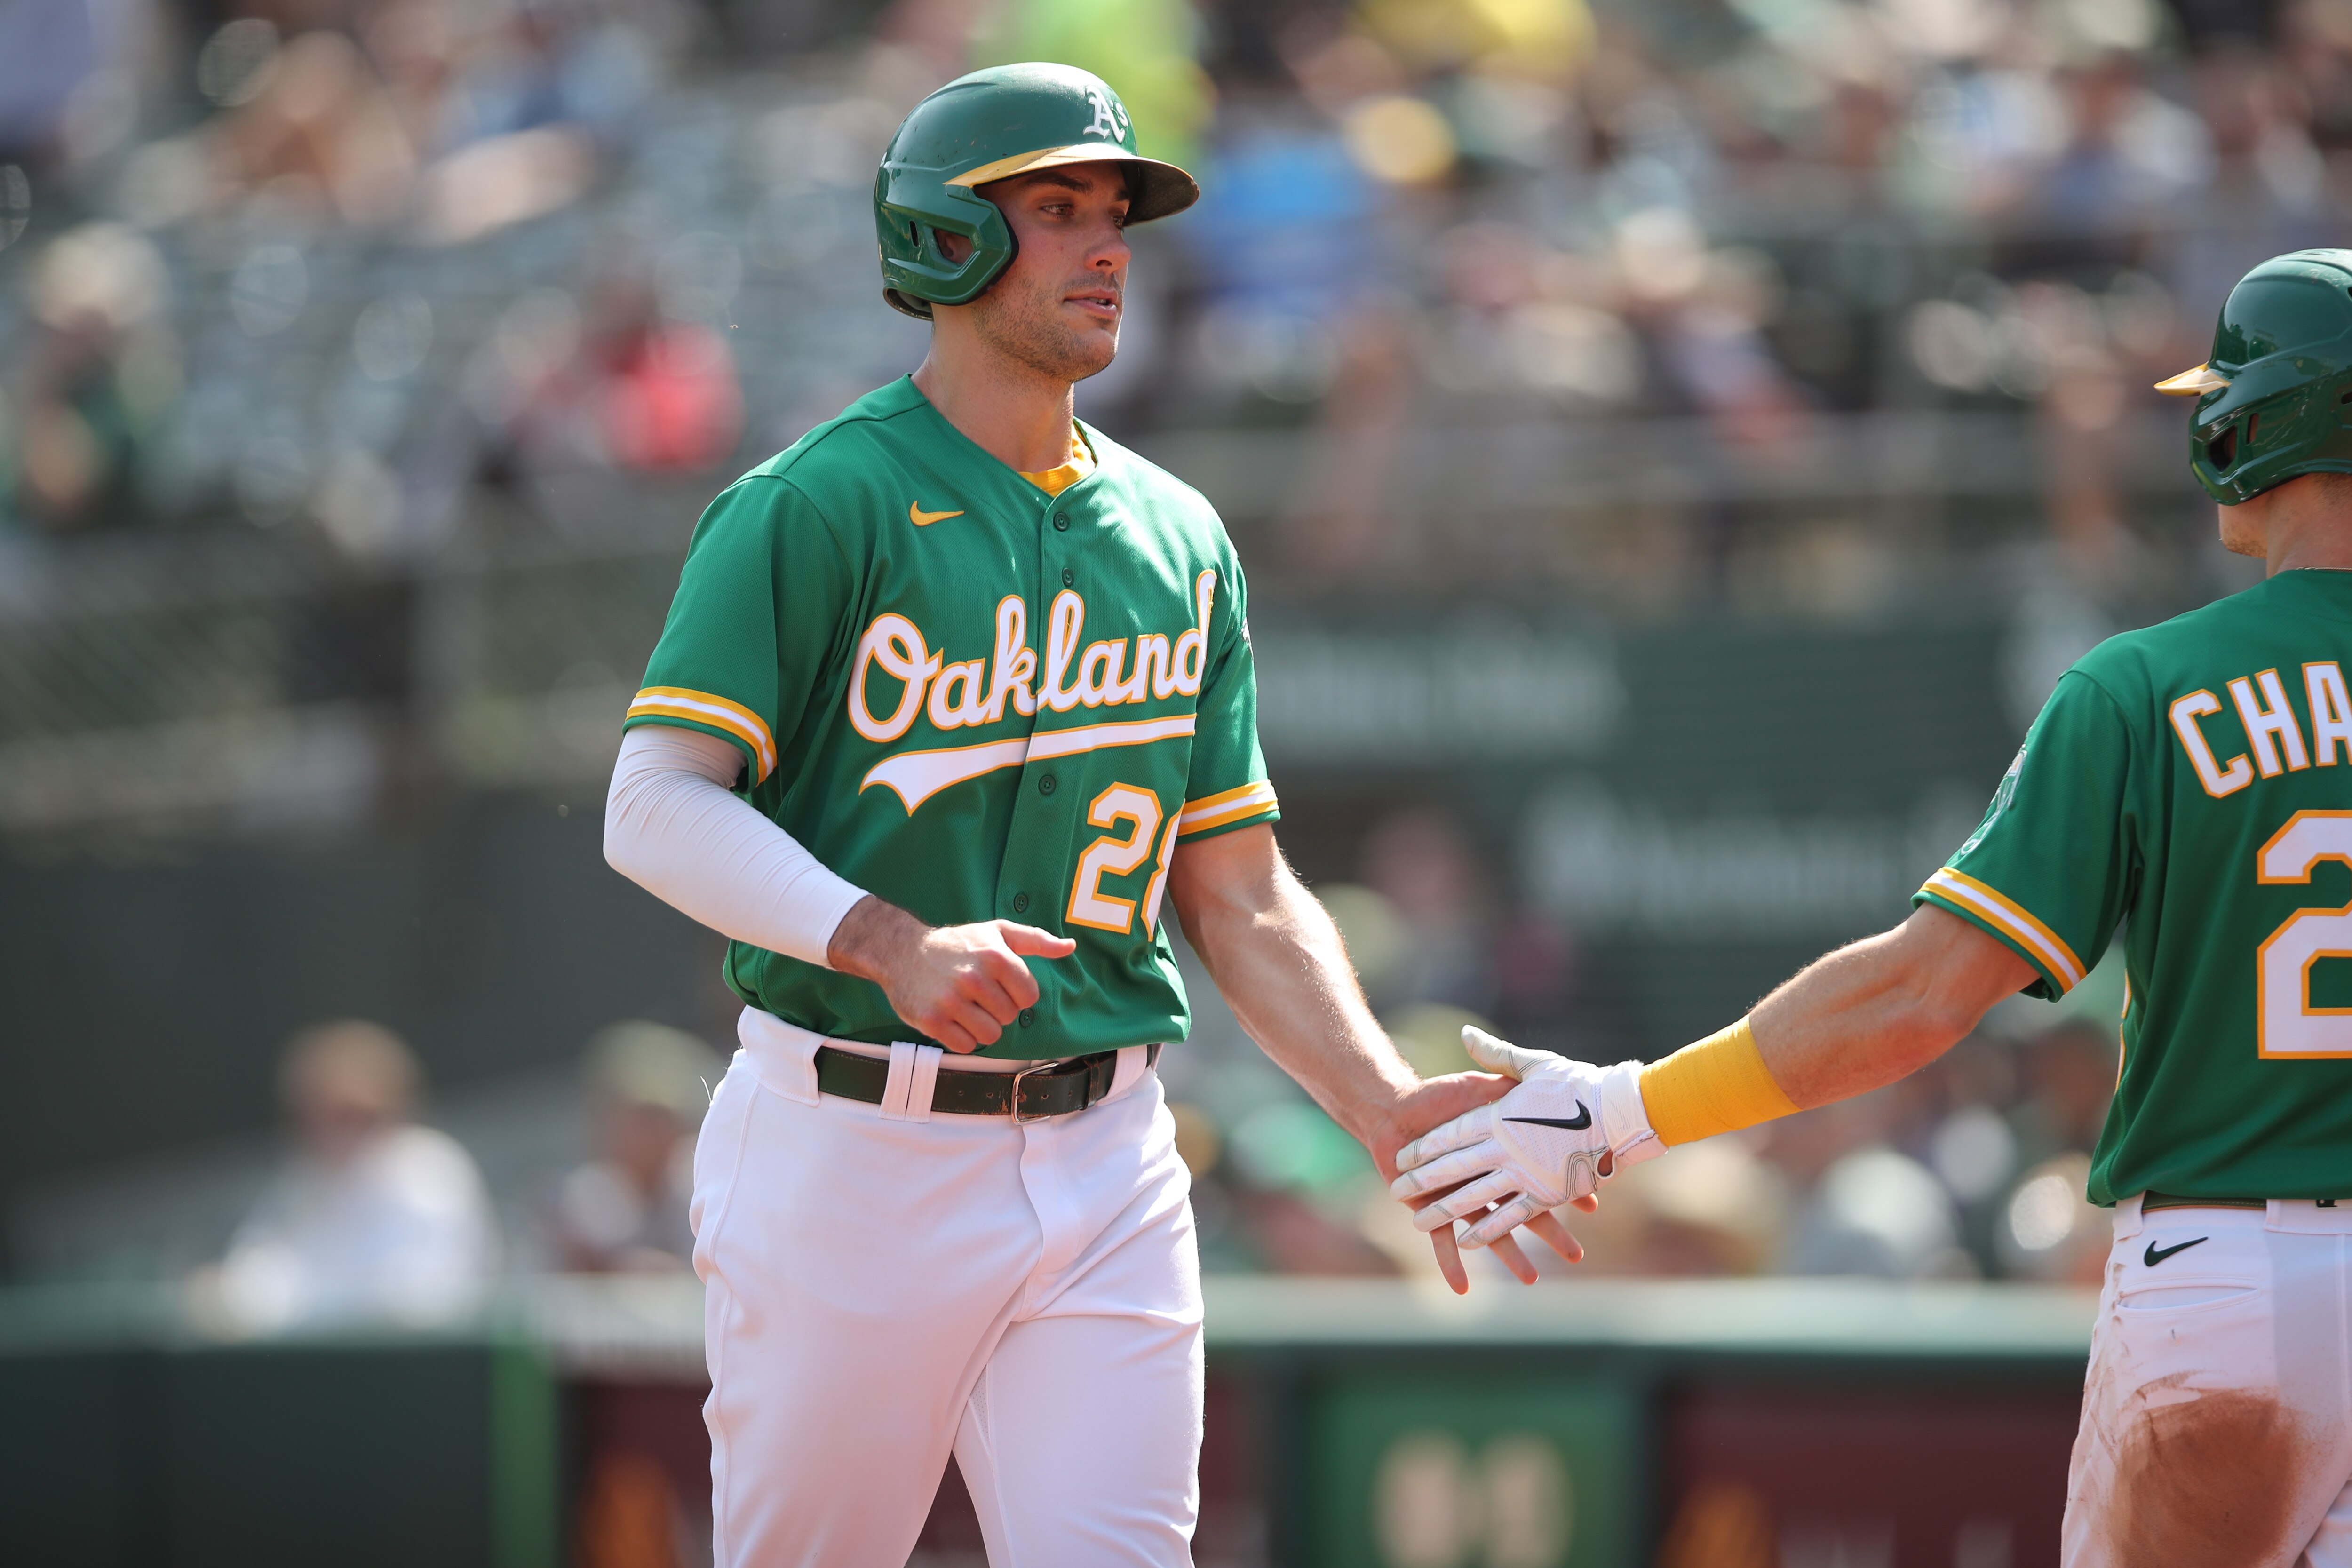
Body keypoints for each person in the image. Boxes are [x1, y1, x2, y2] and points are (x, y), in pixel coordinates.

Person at [600, 63, 1549, 1568]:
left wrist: (1379, 1101)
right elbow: (650, 805)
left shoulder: (1178, 535)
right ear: (944, 242)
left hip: (1110, 1146)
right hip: (854, 1139)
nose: (1109, 246)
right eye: (1058, 211)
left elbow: (1235, 890)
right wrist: (883, 940)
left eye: (1115, 212)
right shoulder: (813, 503)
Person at [1391, 248, 2352, 1568]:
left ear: (2260, 421)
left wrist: (1623, 1110)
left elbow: (1917, 995)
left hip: (2237, 1274)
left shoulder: (2149, 684)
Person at [205, 1019, 496, 1332]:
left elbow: (415, 1302)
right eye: (313, 1115)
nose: (327, 1132)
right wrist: (229, 1294)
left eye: (347, 1115)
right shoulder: (304, 1180)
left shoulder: (429, 1174)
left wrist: (282, 1307)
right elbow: (262, 1269)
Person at [541, 1020, 719, 1274]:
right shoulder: (592, 1192)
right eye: (632, 1120)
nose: (645, 1135)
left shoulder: (703, 1183)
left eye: (655, 1119)